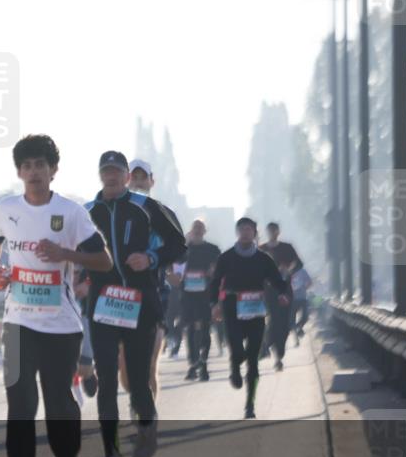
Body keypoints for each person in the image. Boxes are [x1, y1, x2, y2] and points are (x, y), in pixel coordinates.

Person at [0, 135, 112, 457]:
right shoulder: (6, 209)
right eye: (27, 166)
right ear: (19, 172)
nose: (34, 172)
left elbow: (103, 260)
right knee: (20, 406)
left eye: (41, 165)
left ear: (53, 170)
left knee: (57, 403)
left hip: (60, 325)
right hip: (18, 322)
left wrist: (65, 254)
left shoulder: (71, 213)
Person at [87, 151, 186, 457]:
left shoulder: (146, 207)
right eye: (106, 172)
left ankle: (148, 424)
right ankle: (112, 455)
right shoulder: (88, 212)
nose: (111, 177)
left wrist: (152, 257)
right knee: (107, 382)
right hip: (103, 308)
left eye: (117, 171)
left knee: (139, 381)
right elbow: (73, 249)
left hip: (141, 305)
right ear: (100, 175)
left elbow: (178, 243)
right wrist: (78, 275)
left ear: (127, 175)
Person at [113, 159, 184, 417]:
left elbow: (178, 249)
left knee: (149, 361)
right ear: (126, 181)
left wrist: (169, 267)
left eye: (144, 178)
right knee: (125, 364)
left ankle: (146, 414)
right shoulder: (113, 212)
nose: (139, 182)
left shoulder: (163, 213)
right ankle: (136, 399)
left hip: (156, 293)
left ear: (152, 182)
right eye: (134, 177)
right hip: (122, 295)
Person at [210, 218, 291, 419]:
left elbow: (276, 280)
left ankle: (250, 404)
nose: (246, 232)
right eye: (242, 229)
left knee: (253, 359)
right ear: (237, 232)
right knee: (237, 349)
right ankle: (235, 366)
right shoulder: (227, 257)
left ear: (255, 233)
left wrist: (283, 293)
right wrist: (214, 305)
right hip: (232, 308)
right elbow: (215, 282)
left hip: (255, 310)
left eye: (249, 229)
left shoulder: (264, 259)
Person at [180, 219, 222, 381]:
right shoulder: (183, 250)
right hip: (187, 295)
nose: (197, 230)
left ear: (205, 231)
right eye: (195, 227)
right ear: (191, 231)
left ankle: (203, 362)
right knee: (190, 329)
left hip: (206, 295)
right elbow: (173, 267)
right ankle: (193, 364)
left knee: (205, 328)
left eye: (200, 227)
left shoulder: (212, 250)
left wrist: (213, 271)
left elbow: (220, 270)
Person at [259, 222, 303, 372]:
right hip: (268, 291)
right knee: (271, 320)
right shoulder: (262, 249)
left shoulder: (287, 248)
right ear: (267, 232)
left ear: (278, 232)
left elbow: (299, 264)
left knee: (284, 323)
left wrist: (289, 269)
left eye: (274, 230)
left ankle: (279, 354)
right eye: (270, 230)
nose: (272, 233)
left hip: (285, 290)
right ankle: (267, 344)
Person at [290, 266, 312, 346]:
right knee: (292, 320)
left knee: (305, 316)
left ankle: (299, 327)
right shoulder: (288, 271)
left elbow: (310, 282)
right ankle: (296, 340)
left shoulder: (302, 271)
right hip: (291, 300)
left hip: (302, 298)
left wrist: (304, 288)